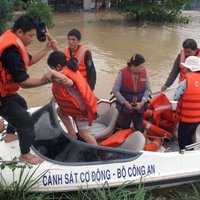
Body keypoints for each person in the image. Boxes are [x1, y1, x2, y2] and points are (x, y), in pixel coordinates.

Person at [0, 15, 70, 164]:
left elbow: (27, 61)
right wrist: (46, 79)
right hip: (1, 95)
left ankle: (10, 134)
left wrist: (47, 48)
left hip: (5, 90)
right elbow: (24, 82)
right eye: (30, 35)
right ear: (20, 32)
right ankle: (24, 154)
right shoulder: (11, 51)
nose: (32, 39)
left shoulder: (13, 41)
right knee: (26, 122)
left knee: (22, 104)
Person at [47, 51, 98, 145]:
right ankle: (72, 134)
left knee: (84, 133)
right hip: (79, 107)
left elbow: (68, 82)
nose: (51, 70)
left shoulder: (66, 76)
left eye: (52, 68)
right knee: (60, 111)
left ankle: (98, 152)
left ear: (58, 67)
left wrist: (51, 72)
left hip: (84, 111)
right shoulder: (69, 67)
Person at [112, 54, 151, 132]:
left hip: (139, 106)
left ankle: (139, 140)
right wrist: (125, 103)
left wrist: (142, 103)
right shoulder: (122, 73)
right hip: (126, 106)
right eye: (140, 67)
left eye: (143, 66)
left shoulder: (144, 72)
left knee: (139, 127)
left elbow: (147, 90)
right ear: (133, 66)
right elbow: (115, 90)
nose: (143, 69)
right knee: (124, 126)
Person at [173, 56, 200, 151]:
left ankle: (183, 155)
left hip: (186, 117)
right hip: (198, 117)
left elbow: (175, 97)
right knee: (190, 136)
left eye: (185, 67)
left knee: (182, 138)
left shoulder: (187, 80)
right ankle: (191, 152)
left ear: (189, 68)